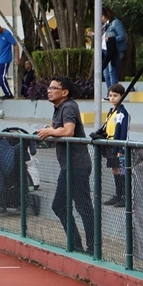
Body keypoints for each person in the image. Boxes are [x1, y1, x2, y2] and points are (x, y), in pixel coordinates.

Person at [36, 77, 94, 254]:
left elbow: (68, 130)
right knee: (59, 205)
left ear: (65, 92)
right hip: (67, 166)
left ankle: (93, 247)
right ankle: (76, 244)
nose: (49, 90)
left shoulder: (68, 106)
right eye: (49, 87)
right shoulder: (58, 108)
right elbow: (56, 130)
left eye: (54, 88)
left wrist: (49, 131)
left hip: (77, 165)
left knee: (83, 206)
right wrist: (48, 132)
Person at [99, 83, 130, 207]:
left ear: (122, 96)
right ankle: (118, 194)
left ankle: (125, 196)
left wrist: (120, 149)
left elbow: (123, 132)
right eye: (110, 95)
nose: (112, 98)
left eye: (115, 95)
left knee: (121, 170)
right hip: (110, 145)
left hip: (118, 146)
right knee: (115, 170)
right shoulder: (111, 111)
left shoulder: (122, 113)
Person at [101, 7, 127, 98]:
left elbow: (122, 35)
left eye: (102, 16)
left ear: (106, 15)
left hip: (115, 51)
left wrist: (112, 39)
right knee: (106, 73)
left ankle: (115, 93)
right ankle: (109, 94)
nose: (101, 19)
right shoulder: (105, 26)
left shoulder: (116, 23)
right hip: (106, 51)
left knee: (112, 72)